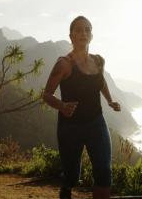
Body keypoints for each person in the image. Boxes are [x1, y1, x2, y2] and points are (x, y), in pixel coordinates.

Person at [43, 16, 121, 199]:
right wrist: (62, 105)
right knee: (72, 175)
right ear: (71, 36)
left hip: (96, 122)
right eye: (78, 30)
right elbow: (46, 94)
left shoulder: (99, 61)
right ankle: (66, 189)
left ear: (91, 36)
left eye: (87, 29)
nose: (83, 33)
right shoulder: (64, 64)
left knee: (103, 171)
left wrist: (110, 100)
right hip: (70, 127)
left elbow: (100, 83)